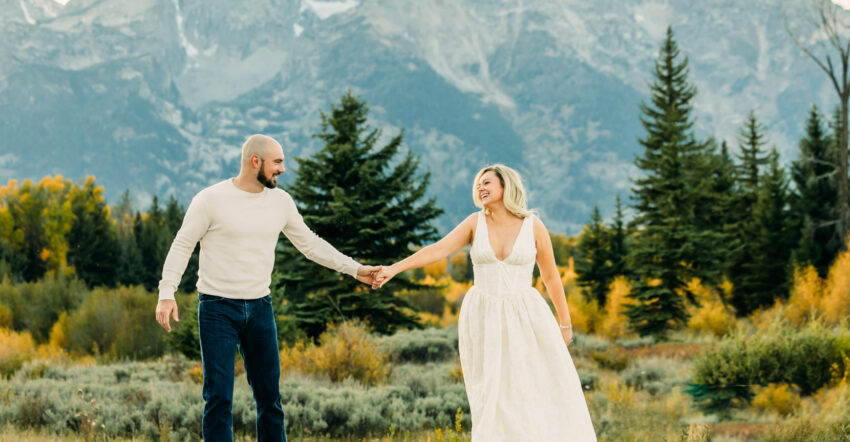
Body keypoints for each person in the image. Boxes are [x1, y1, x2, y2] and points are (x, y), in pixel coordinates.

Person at [155, 134, 381, 442]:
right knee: (219, 398)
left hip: (260, 308)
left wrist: (356, 270)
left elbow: (311, 245)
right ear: (255, 161)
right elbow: (183, 244)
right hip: (217, 309)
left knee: (270, 400)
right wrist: (167, 292)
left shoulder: (280, 202)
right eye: (277, 162)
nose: (282, 169)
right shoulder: (210, 199)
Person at [372, 164, 596, 440]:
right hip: (484, 318)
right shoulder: (474, 223)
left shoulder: (533, 226)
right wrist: (394, 268)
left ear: (506, 186)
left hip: (527, 318)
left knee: (533, 387)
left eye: (487, 182)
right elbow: (438, 249)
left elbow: (551, 277)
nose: (481, 187)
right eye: (479, 183)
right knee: (492, 395)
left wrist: (565, 322)